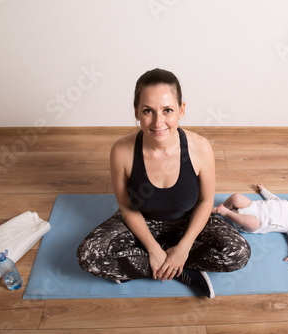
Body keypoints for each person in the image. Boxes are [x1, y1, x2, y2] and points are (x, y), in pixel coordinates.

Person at [77, 68, 251, 298]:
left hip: (188, 221)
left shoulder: (200, 148)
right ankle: (181, 270)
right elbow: (127, 206)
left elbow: (206, 200)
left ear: (181, 110)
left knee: (239, 253)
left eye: (167, 110)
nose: (158, 122)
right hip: (142, 223)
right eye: (148, 111)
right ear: (137, 112)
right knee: (89, 255)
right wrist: (152, 248)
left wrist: (184, 247)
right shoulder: (121, 150)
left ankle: (164, 263)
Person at [212, 183, 288, 271]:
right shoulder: (285, 203)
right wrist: (263, 190)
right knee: (236, 197)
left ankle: (227, 213)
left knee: (252, 222)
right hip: (252, 206)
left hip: (255, 222)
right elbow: (272, 197)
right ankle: (219, 209)